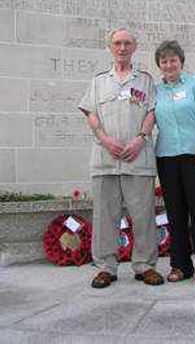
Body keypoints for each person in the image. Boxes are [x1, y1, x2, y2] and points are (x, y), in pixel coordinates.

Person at [78, 27, 164, 288]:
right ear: (110, 47)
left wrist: (140, 139)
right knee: (105, 217)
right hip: (105, 160)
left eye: (127, 43)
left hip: (138, 160)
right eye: (117, 43)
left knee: (144, 215)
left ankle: (145, 266)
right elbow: (90, 113)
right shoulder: (98, 81)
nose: (122, 48)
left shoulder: (145, 80)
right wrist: (104, 139)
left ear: (134, 47)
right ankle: (106, 267)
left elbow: (152, 111)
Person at [154, 40, 195, 285]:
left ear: (181, 61)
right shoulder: (156, 90)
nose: (169, 65)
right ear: (159, 65)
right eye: (164, 61)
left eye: (173, 60)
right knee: (176, 213)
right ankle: (180, 265)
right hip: (167, 158)